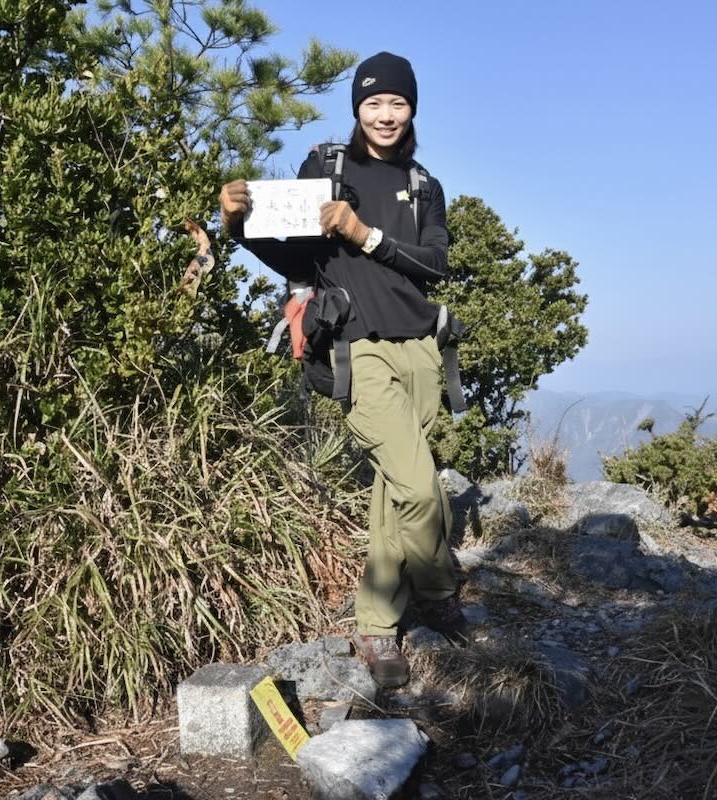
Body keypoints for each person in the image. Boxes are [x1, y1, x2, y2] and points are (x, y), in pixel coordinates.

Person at [218, 51, 467, 688]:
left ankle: (379, 626)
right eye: (373, 103)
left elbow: (435, 266)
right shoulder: (327, 169)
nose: (386, 115)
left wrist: (363, 234)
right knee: (417, 486)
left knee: (394, 488)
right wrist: (236, 222)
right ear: (357, 107)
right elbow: (290, 251)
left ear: (412, 108)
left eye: (398, 103)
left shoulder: (424, 184)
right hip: (360, 350)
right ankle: (438, 588)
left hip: (421, 351)